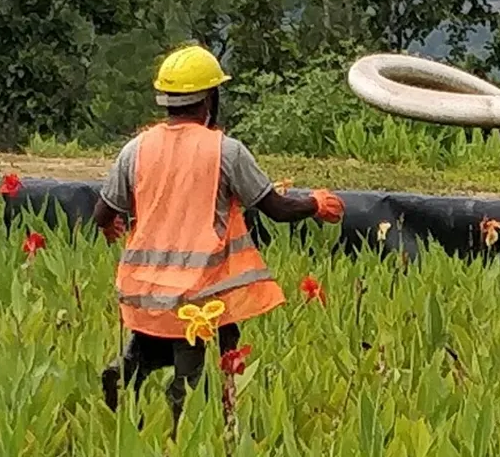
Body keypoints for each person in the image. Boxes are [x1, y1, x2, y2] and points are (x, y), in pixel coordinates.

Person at [92, 45, 345, 418]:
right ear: (211, 96)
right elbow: (274, 208)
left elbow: (102, 212)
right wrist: (316, 203)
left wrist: (110, 225)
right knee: (189, 372)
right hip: (197, 289)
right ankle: (183, 421)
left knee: (150, 340)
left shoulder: (136, 149)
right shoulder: (226, 151)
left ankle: (128, 369)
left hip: (141, 287)